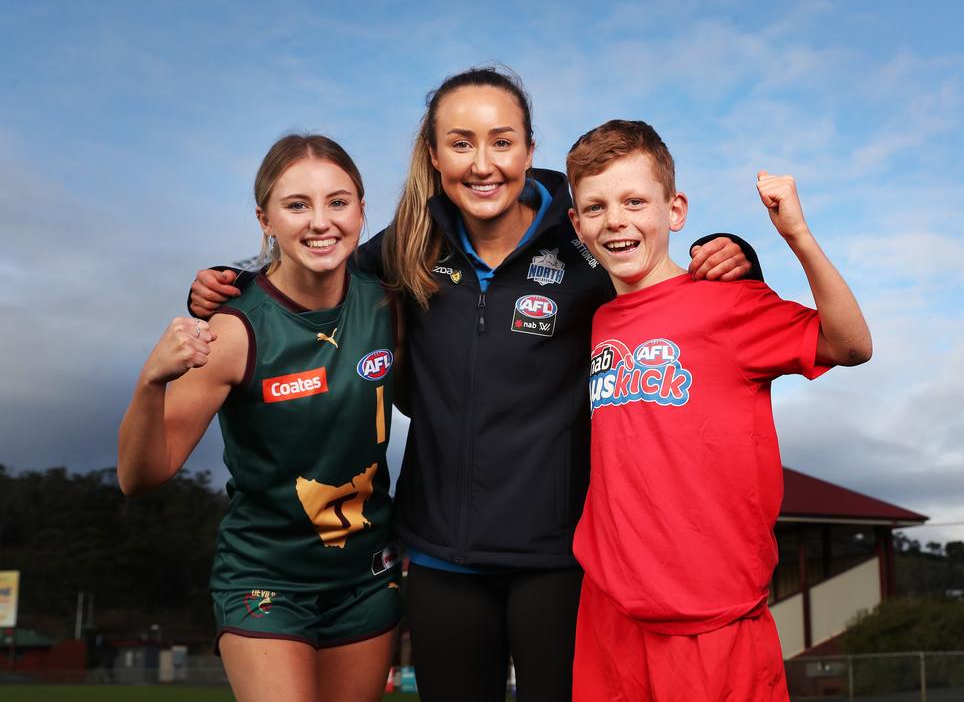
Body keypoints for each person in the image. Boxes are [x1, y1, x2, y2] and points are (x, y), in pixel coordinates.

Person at [187, 66, 759, 702]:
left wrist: (734, 251)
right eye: (460, 143)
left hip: (563, 559)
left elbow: (661, 281)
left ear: (529, 150)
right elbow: (315, 262)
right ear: (434, 155)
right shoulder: (408, 240)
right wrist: (233, 278)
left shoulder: (584, 236)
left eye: (502, 141)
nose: (483, 164)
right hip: (440, 559)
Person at [565, 120, 873, 701]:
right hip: (610, 614)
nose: (616, 220)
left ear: (675, 210)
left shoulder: (726, 301)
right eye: (596, 207)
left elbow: (852, 345)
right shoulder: (598, 320)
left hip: (713, 619)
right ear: (577, 224)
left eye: (635, 201)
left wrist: (797, 236)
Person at [119, 135, 402, 702]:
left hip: (366, 578)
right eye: (297, 205)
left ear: (363, 210)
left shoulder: (389, 305)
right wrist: (151, 383)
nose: (321, 222)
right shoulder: (231, 331)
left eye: (338, 202)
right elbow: (139, 476)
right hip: (266, 580)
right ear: (265, 219)